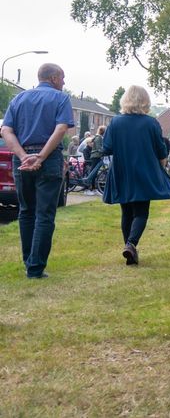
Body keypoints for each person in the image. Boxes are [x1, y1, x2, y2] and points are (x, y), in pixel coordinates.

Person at [0, 63, 75, 279]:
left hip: (21, 161)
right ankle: (35, 267)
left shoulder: (18, 99)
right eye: (62, 78)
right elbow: (61, 128)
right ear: (53, 78)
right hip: (49, 159)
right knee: (44, 214)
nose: (63, 82)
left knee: (26, 211)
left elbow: (6, 129)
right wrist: (41, 156)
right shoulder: (60, 99)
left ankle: (28, 262)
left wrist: (24, 156)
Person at [101, 85, 170, 265]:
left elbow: (107, 148)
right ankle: (131, 245)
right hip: (143, 171)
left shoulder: (116, 122)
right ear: (145, 101)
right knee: (141, 211)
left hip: (122, 171)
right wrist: (162, 166)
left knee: (126, 211)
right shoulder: (151, 123)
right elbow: (161, 151)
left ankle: (129, 248)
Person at [79, 125, 107, 189]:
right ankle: (89, 187)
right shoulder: (98, 138)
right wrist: (104, 151)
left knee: (94, 172)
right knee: (93, 172)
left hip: (96, 156)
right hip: (96, 156)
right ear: (103, 132)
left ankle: (92, 187)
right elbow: (98, 148)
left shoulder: (98, 137)